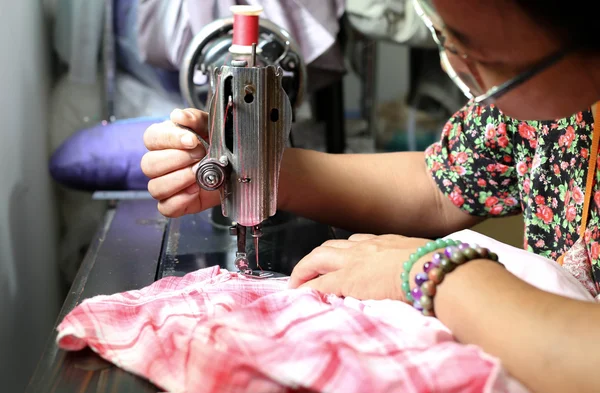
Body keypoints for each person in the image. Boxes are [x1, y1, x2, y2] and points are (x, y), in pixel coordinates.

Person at [140, 0, 600, 391]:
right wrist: (252, 170)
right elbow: (441, 186)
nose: (454, 64)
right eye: (446, 38)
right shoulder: (546, 109)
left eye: (471, 48)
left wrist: (433, 272)